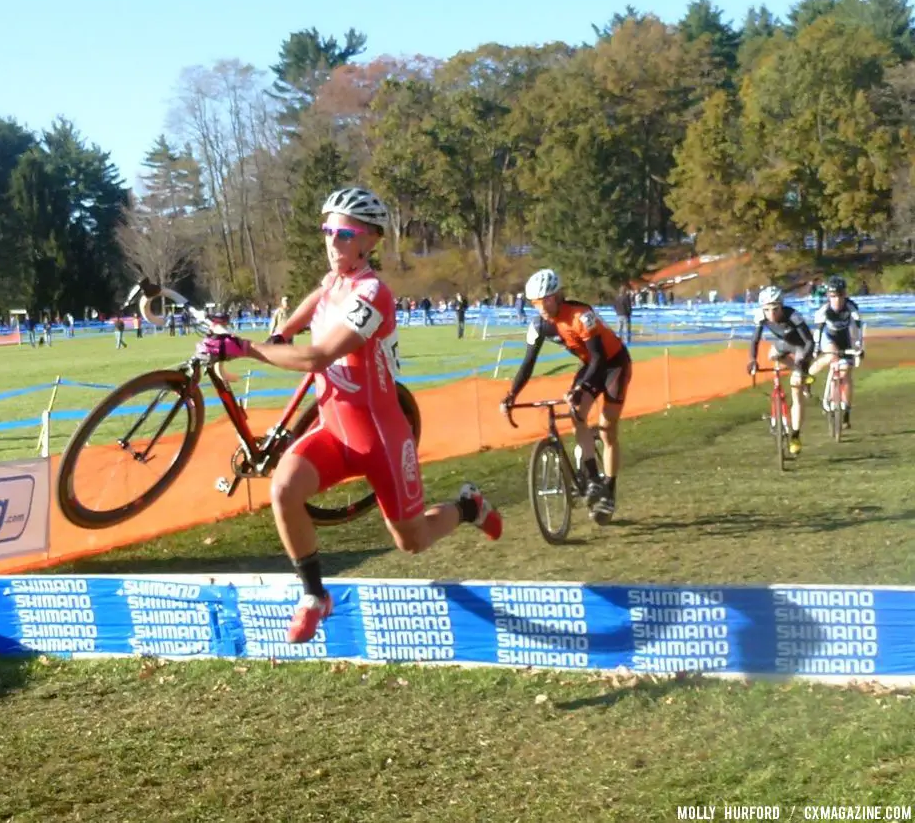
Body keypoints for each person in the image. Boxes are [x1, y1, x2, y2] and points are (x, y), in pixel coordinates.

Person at [196, 186, 503, 644]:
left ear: (369, 241)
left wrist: (247, 349)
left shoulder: (373, 293)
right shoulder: (333, 281)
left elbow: (319, 356)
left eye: (342, 234)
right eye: (327, 230)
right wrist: (281, 332)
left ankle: (468, 506)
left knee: (412, 540)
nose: (331, 241)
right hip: (334, 431)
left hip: (381, 437)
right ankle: (314, 596)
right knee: (283, 489)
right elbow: (314, 301)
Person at [500, 269, 632, 524]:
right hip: (591, 366)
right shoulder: (538, 324)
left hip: (613, 364)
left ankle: (610, 489)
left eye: (546, 300)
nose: (542, 307)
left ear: (558, 296)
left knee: (607, 429)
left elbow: (599, 357)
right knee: (576, 413)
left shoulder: (581, 315)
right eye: (536, 303)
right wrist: (511, 395)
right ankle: (593, 480)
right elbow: (528, 364)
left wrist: (580, 388)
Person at [748, 286, 816, 456]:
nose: (771, 313)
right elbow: (754, 341)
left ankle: (795, 435)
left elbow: (809, 342)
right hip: (783, 344)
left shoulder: (793, 316)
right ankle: (799, 373)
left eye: (775, 309)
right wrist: (752, 360)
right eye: (767, 309)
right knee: (772, 355)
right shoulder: (760, 317)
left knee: (796, 391)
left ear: (781, 306)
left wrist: (801, 362)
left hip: (801, 347)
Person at [808, 275, 863, 429]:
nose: (837, 300)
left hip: (845, 338)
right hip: (828, 338)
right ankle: (808, 376)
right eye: (833, 296)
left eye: (840, 295)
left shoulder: (852, 308)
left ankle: (846, 410)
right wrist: (816, 347)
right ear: (828, 297)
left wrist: (859, 347)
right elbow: (818, 332)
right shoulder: (824, 310)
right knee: (832, 354)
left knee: (846, 374)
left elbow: (858, 330)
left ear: (845, 294)